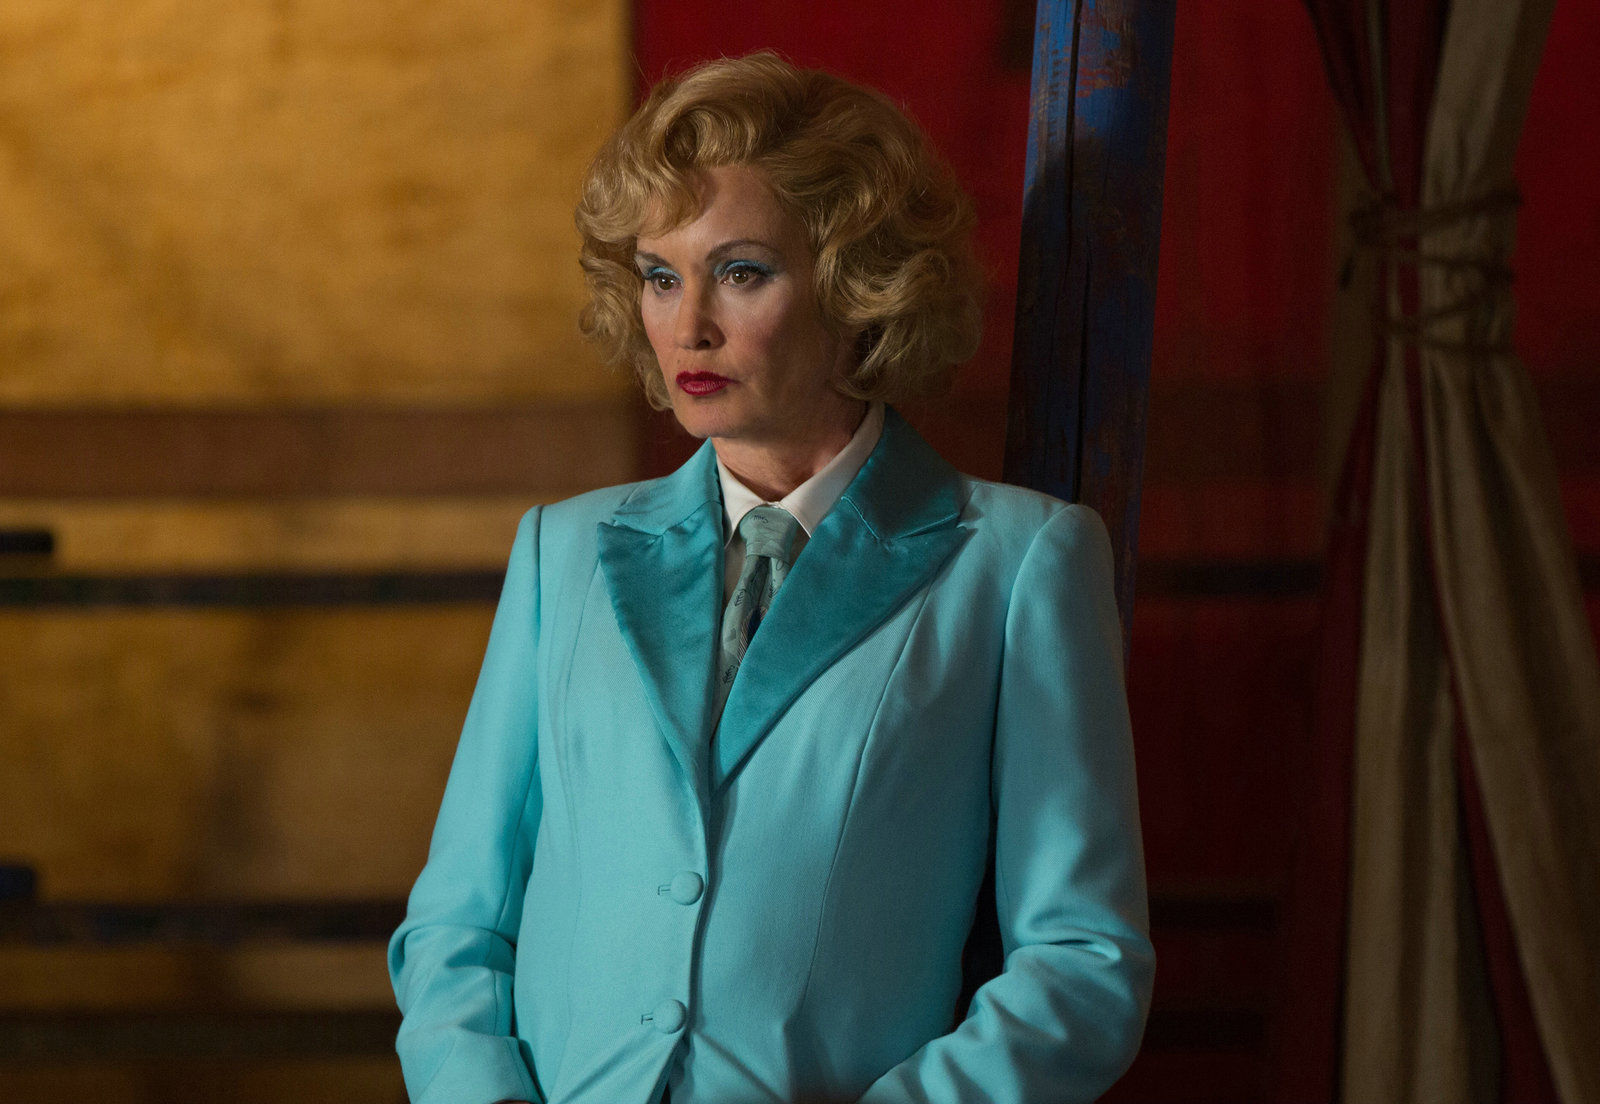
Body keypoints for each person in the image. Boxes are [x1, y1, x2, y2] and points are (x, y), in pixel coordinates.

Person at [388, 51, 1153, 1104]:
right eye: (660, 275)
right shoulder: (559, 553)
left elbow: (1082, 963)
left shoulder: (1018, 562)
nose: (688, 325)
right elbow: (456, 926)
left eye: (741, 272)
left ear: (857, 284)